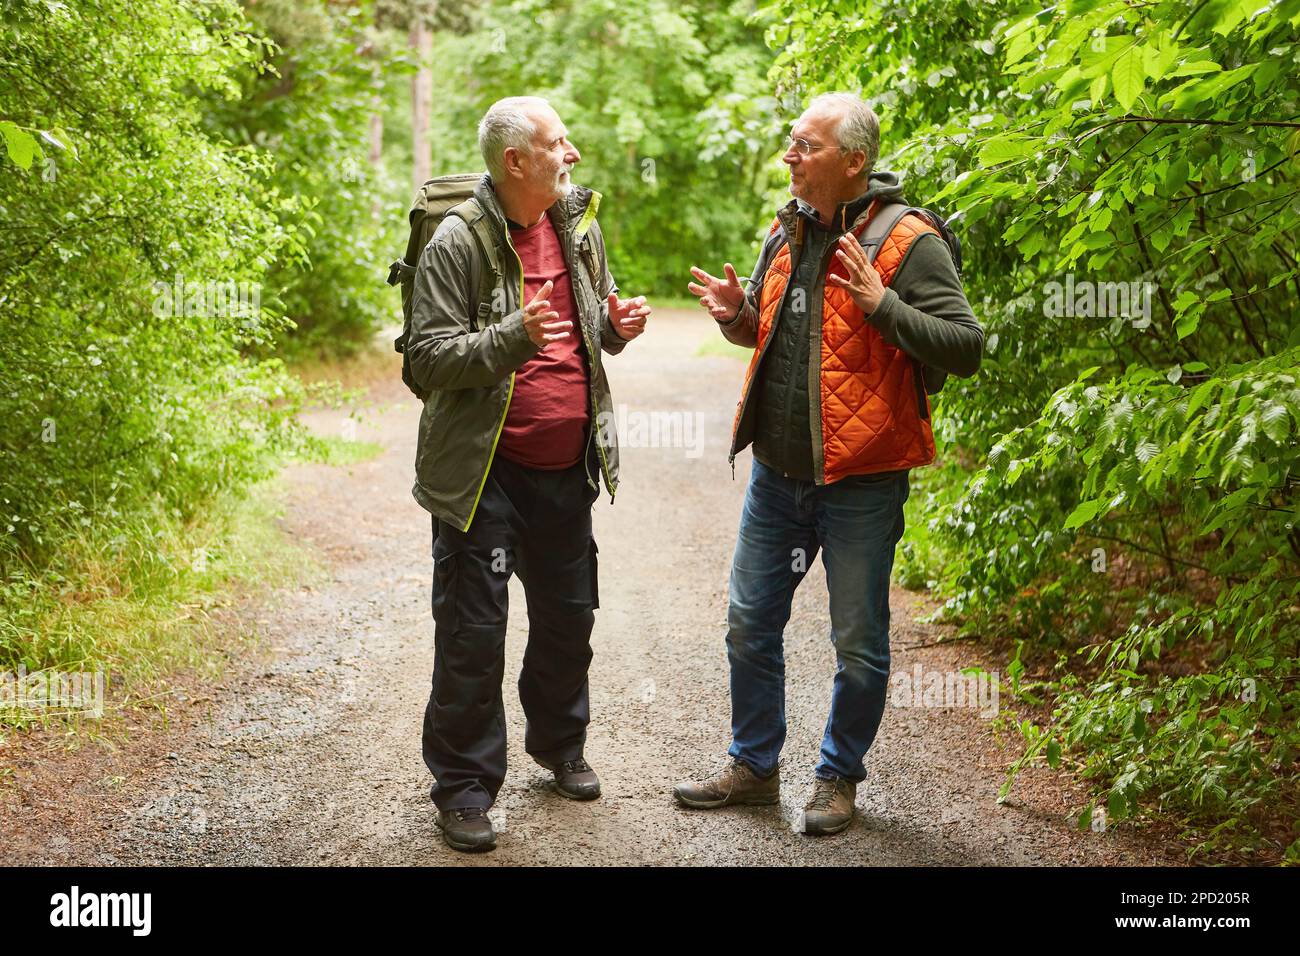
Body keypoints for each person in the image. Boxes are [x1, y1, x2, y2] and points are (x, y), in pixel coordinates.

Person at [676, 92, 983, 836]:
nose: (790, 157)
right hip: (778, 479)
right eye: (790, 143)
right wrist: (736, 317)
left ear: (854, 161)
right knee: (750, 624)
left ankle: (837, 778)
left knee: (859, 643)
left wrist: (884, 306)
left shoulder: (909, 241)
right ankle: (754, 767)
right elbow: (772, 336)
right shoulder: (786, 230)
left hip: (862, 485)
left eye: (805, 147)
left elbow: (966, 346)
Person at [406, 96, 650, 852]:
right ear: (515, 161)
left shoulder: (578, 226)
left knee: (569, 617)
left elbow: (585, 333)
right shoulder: (457, 241)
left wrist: (613, 329)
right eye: (555, 142)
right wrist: (509, 338)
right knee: (474, 633)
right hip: (484, 475)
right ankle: (466, 788)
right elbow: (425, 359)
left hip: (564, 469)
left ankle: (559, 743)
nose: (571, 152)